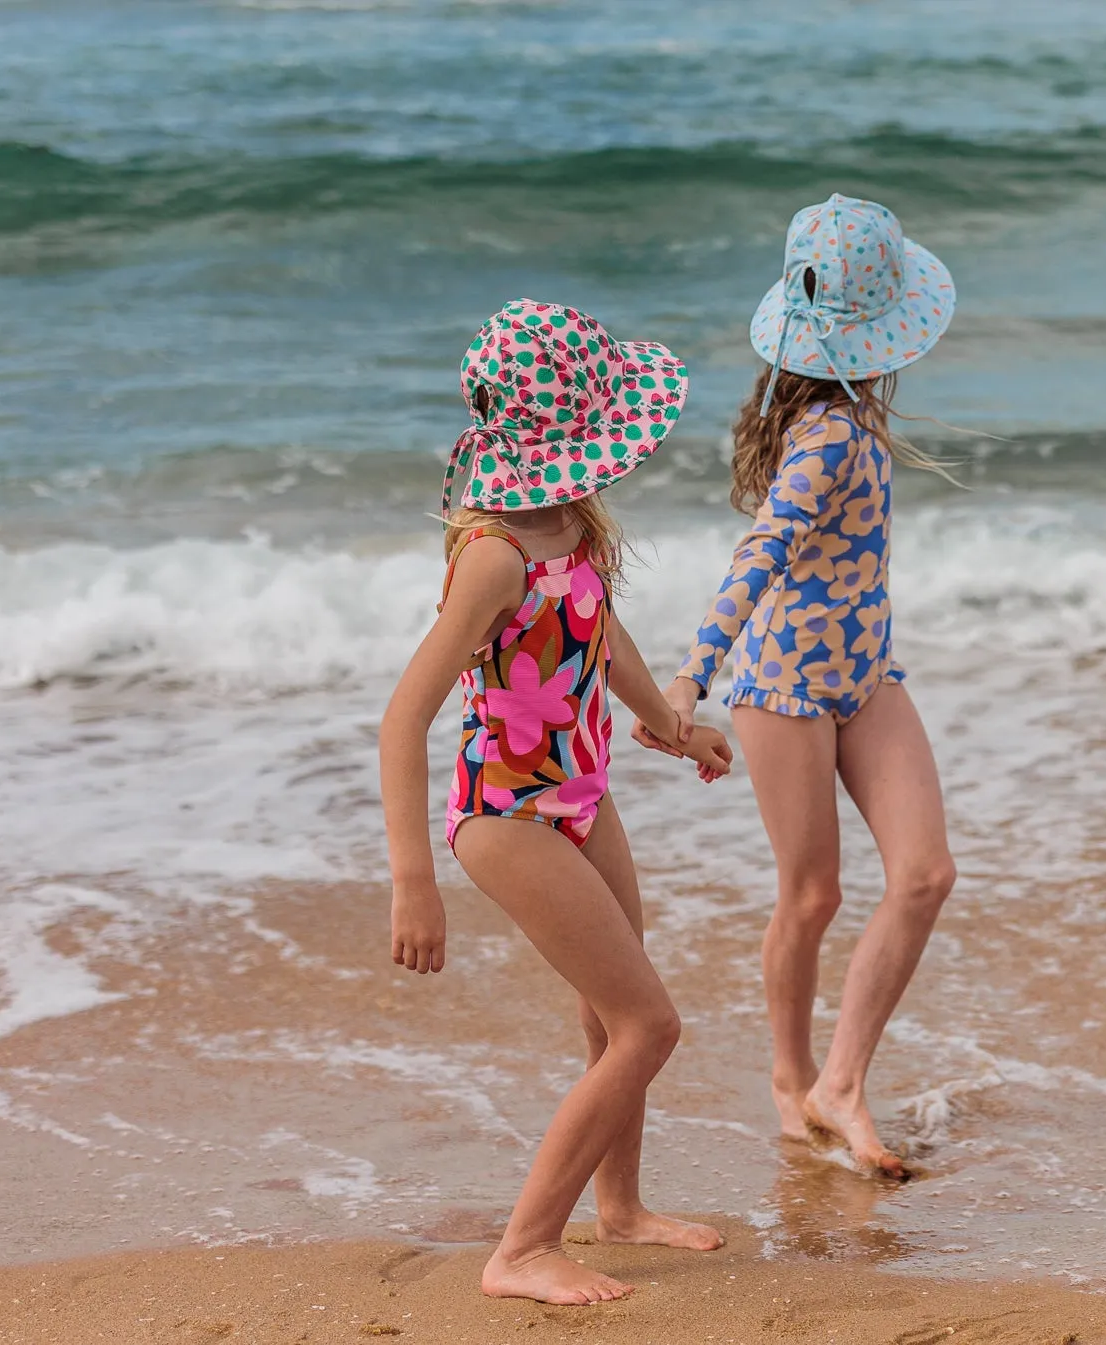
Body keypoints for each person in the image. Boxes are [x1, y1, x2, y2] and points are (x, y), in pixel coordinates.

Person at [379, 300, 734, 1305]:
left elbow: (598, 635)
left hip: (584, 796)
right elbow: (402, 719)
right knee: (649, 1025)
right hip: (506, 817)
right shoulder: (491, 554)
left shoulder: (572, 527)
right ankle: (521, 1247)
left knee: (608, 1008)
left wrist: (671, 725)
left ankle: (617, 1208)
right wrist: (415, 881)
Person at [639, 195, 959, 1178]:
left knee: (922, 875)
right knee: (811, 895)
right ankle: (790, 1085)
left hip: (863, 677)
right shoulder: (825, 436)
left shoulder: (844, 415)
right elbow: (761, 551)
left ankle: (839, 1083)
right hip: (779, 687)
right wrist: (692, 673)